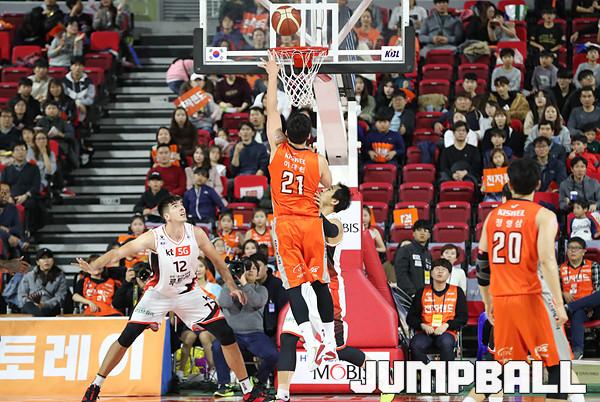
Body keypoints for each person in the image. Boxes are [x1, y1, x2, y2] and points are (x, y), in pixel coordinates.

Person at [77, 195, 267, 402]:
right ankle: (95, 385)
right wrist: (95, 265)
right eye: (176, 206)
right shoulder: (153, 237)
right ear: (167, 216)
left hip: (189, 293)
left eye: (182, 205)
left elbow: (217, 261)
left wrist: (232, 286)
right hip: (158, 295)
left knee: (226, 333)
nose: (182, 208)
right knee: (127, 337)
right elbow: (119, 252)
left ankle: (248, 389)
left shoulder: (196, 233)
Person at [261, 54, 339, 365]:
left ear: (286, 133)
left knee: (294, 286)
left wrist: (273, 74)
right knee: (320, 283)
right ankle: (330, 342)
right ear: (309, 136)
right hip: (310, 224)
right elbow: (329, 186)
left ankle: (309, 338)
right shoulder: (318, 160)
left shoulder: (276, 149)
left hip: (286, 225)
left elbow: (271, 110)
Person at [474, 158, 571, 401]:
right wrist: (559, 304)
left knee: (504, 365)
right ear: (538, 183)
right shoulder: (544, 215)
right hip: (529, 297)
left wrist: (488, 301)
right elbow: (547, 261)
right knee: (555, 363)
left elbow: (482, 264)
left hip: (502, 298)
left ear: (509, 184)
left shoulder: (492, 216)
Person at [275, 184, 366, 402]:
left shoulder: (335, 221)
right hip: (304, 286)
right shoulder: (307, 218)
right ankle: (282, 395)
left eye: (330, 189)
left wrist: (316, 213)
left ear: (334, 201)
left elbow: (332, 234)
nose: (323, 189)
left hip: (327, 289)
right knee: (288, 338)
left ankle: (383, 378)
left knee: (337, 349)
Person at [211, 254, 278, 396]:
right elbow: (224, 303)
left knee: (272, 354)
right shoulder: (230, 287)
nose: (250, 271)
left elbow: (255, 302)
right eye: (247, 268)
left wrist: (245, 284)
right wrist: (230, 281)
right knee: (217, 346)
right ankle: (224, 384)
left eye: (254, 268)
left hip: (255, 335)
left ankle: (258, 382)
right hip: (233, 335)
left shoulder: (262, 289)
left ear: (258, 273)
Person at [407, 258, 468, 363]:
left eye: (443, 269)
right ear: (431, 273)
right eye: (437, 269)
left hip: (447, 332)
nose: (440, 271)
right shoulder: (422, 292)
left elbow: (463, 318)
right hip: (425, 332)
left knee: (446, 343)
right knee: (415, 345)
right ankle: (427, 370)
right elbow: (411, 317)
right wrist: (422, 325)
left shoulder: (457, 291)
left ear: (449, 274)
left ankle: (445, 372)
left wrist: (447, 325)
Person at [560, 237, 600, 359]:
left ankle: (569, 307)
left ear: (583, 251)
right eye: (570, 248)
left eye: (576, 248)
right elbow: (552, 290)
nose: (572, 251)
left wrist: (589, 305)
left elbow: (597, 289)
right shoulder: (559, 268)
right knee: (578, 313)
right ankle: (577, 352)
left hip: (592, 308)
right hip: (571, 311)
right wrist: (563, 293)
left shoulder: (593, 266)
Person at [17, 248, 67, 317]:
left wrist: (45, 304)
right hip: (31, 305)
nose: (46, 260)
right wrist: (33, 303)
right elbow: (21, 295)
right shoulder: (29, 276)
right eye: (43, 258)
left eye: (49, 257)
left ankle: (39, 317)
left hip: (50, 306)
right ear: (37, 262)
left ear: (53, 260)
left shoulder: (60, 276)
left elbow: (60, 296)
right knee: (28, 306)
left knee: (46, 310)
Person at [394, 220, 432, 298]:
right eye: (419, 230)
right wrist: (412, 293)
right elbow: (401, 274)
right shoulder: (405, 250)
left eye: (425, 230)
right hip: (408, 297)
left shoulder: (428, 255)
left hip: (424, 296)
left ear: (429, 235)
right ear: (413, 233)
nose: (422, 233)